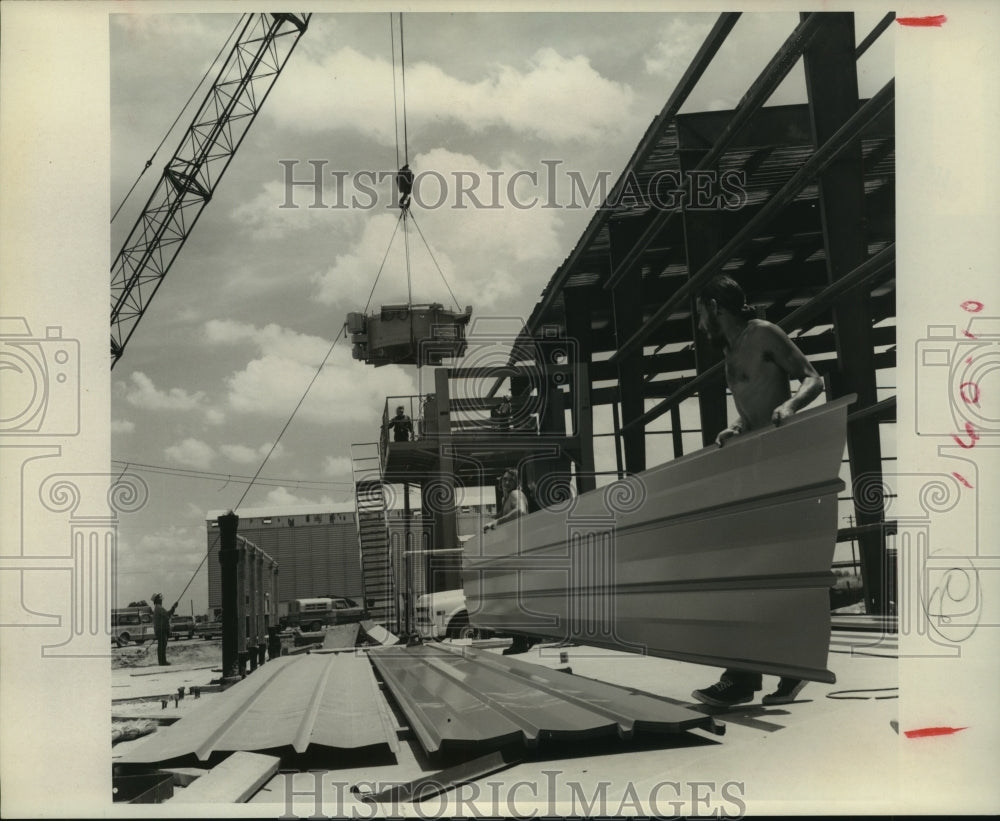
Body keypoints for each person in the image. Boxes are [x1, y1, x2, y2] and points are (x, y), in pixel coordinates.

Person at [690, 275, 825, 708]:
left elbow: (812, 378)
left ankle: (746, 675)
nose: (699, 324)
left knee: (754, 570)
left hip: (785, 466)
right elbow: (752, 412)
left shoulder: (765, 333)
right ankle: (773, 671)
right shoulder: (729, 353)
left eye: (700, 313)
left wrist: (790, 406)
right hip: (756, 469)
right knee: (753, 573)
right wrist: (736, 427)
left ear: (715, 306)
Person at [483, 468, 528, 532]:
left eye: (511, 480)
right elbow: (505, 514)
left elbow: (521, 511)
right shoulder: (504, 499)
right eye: (505, 479)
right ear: (501, 480)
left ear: (516, 483)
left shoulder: (515, 493)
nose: (507, 482)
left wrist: (496, 522)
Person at [151, 593, 178, 666]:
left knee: (162, 645)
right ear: (157, 600)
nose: (161, 601)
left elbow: (166, 616)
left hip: (160, 630)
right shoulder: (159, 608)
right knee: (162, 646)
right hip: (161, 630)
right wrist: (174, 607)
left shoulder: (157, 608)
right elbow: (168, 614)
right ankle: (162, 662)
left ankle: (162, 661)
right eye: (160, 600)